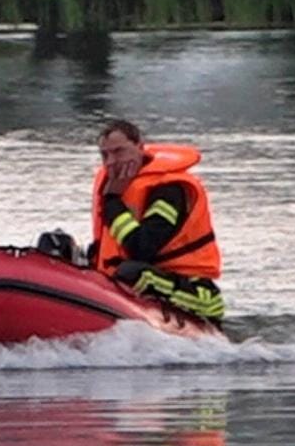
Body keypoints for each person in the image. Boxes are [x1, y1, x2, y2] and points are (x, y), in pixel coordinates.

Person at [89, 118, 225, 324]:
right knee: (56, 243)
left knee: (131, 273)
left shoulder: (170, 189)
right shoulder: (115, 186)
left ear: (140, 147)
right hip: (125, 280)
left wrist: (112, 202)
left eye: (119, 152)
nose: (110, 162)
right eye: (104, 155)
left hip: (193, 290)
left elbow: (142, 247)